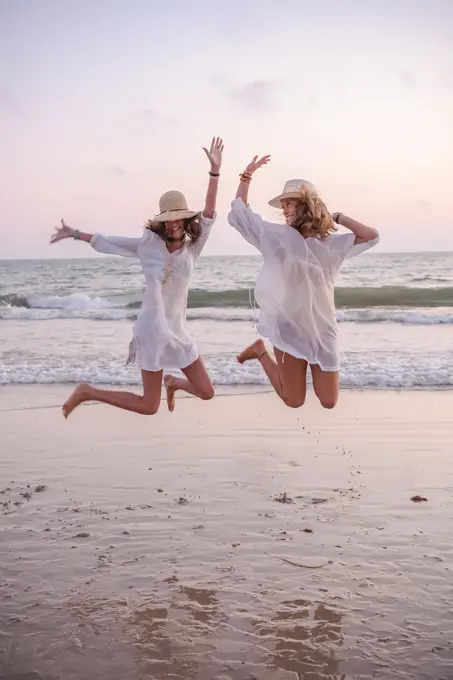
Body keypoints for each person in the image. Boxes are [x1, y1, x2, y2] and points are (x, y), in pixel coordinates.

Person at [50, 137, 224, 418]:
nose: (174, 223)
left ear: (185, 219)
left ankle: (173, 382)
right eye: (168, 218)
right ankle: (88, 392)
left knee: (207, 391)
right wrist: (74, 233)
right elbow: (110, 243)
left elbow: (210, 214)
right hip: (152, 330)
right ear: (162, 222)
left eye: (178, 217)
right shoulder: (148, 246)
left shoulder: (193, 248)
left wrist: (215, 172)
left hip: (178, 330)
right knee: (149, 406)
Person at [227, 156, 379, 409]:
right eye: (284, 205)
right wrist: (246, 177)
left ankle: (259, 350)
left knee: (329, 401)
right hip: (288, 327)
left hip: (322, 330)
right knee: (293, 400)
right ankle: (260, 352)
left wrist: (337, 217)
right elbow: (241, 214)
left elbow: (371, 236)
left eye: (290, 204)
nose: (285, 210)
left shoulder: (331, 245)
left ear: (308, 206)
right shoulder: (277, 238)